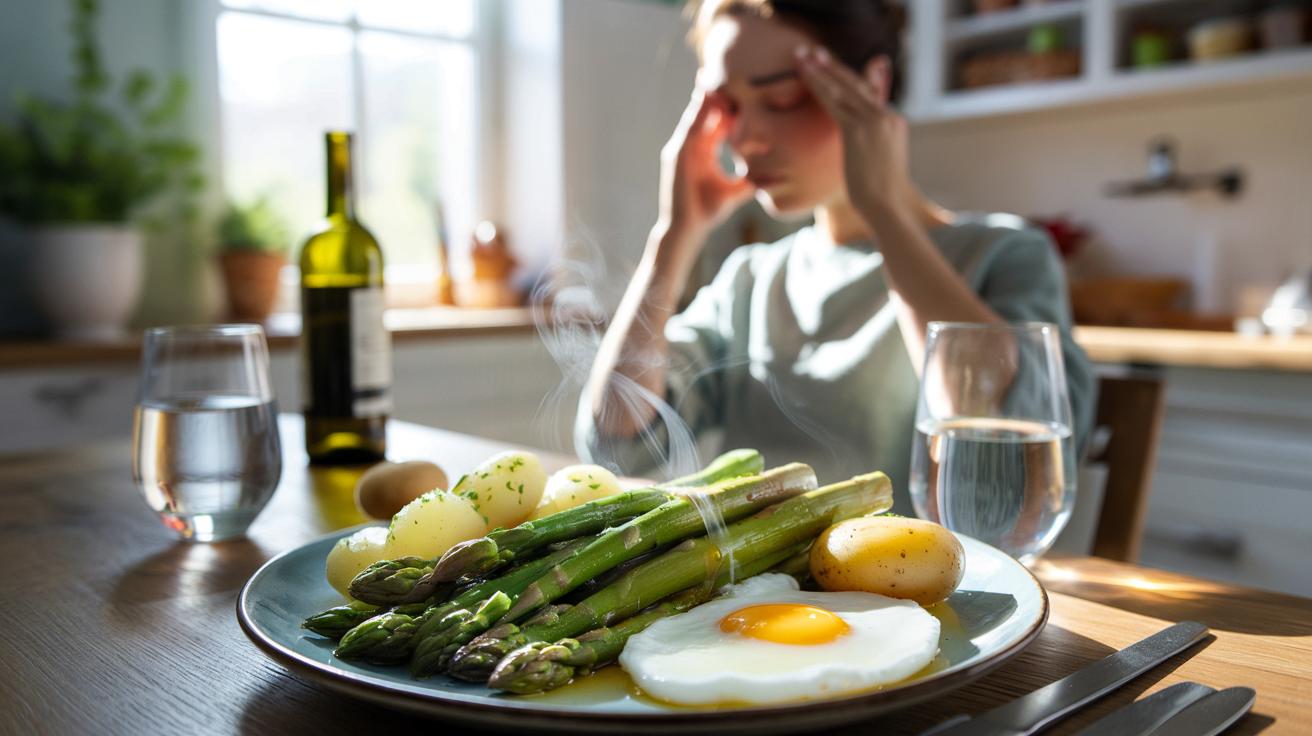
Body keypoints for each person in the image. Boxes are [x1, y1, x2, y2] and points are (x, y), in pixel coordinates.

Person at [575, 0, 1095, 512]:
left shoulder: (1003, 255)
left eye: (781, 99)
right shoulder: (753, 280)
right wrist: (674, 235)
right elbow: (619, 444)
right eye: (728, 106)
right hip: (767, 596)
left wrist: (884, 210)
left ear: (872, 84)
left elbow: (1004, 480)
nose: (746, 138)